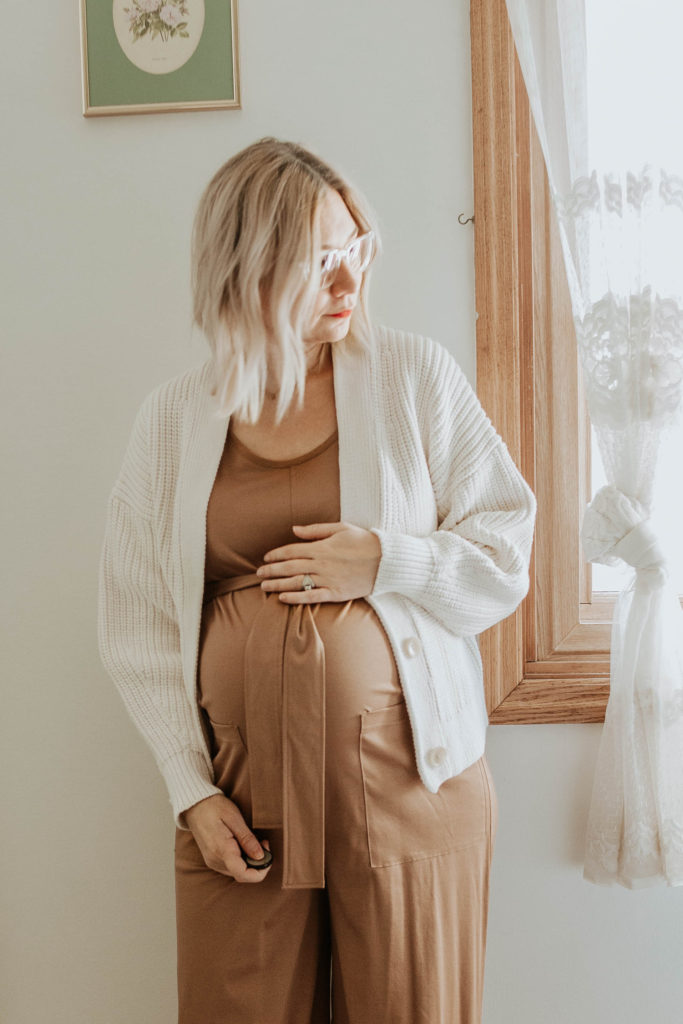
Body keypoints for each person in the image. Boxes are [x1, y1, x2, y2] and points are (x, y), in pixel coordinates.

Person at [97, 137, 536, 1024]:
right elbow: (137, 620)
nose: (349, 287)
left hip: (412, 785)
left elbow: (504, 555)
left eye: (356, 253)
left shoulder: (413, 378)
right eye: (319, 265)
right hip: (243, 804)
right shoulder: (173, 421)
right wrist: (190, 787)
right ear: (243, 272)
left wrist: (386, 559)